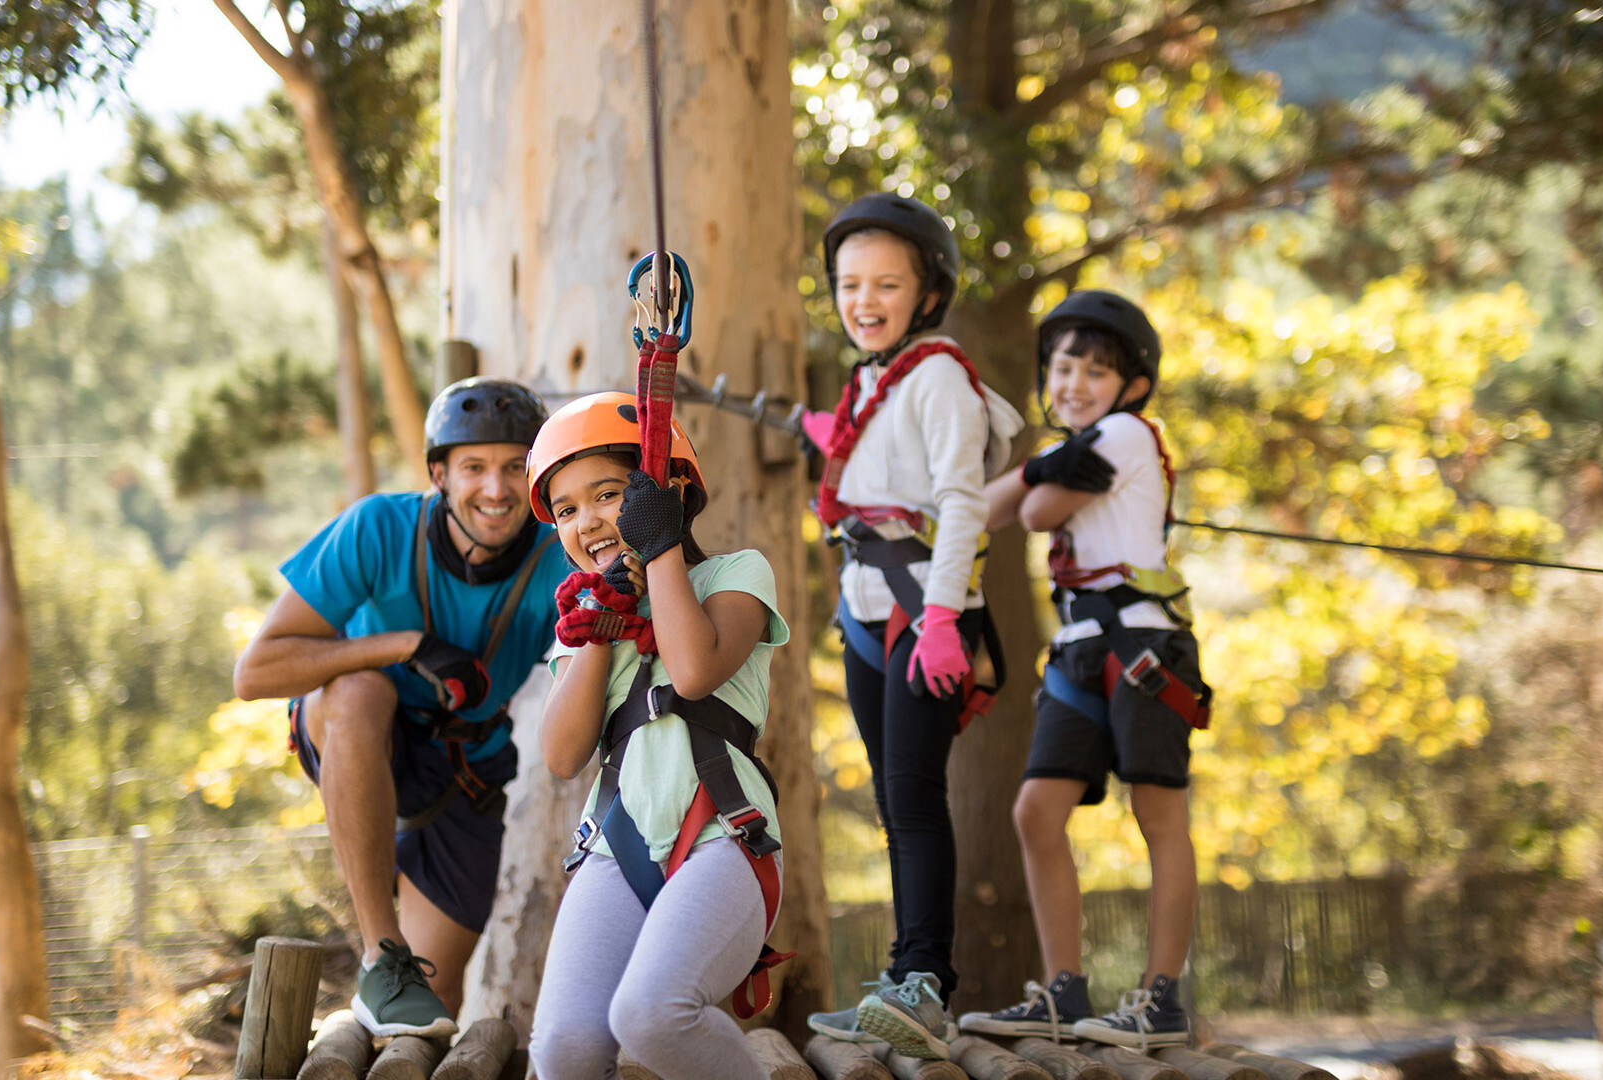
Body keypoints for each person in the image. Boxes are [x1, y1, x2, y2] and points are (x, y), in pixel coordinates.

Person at [232, 377, 571, 1038]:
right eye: (474, 468)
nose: (496, 491)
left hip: (465, 770)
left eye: (513, 469)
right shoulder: (377, 529)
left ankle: (374, 1000)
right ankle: (379, 953)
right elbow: (255, 671)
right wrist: (406, 645)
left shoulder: (558, 556)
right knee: (362, 690)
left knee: (422, 1018)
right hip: (359, 731)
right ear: (440, 474)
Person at [799, 194, 1023, 1060]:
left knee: (917, 796)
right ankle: (901, 979)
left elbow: (962, 502)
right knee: (896, 803)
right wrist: (846, 450)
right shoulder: (869, 383)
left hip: (921, 608)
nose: (864, 300)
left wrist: (940, 620)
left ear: (929, 293)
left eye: (886, 283)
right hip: (865, 607)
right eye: (850, 283)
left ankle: (926, 983)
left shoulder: (937, 375)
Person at [961, 290, 1213, 1048]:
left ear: (1131, 386)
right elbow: (984, 509)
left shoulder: (1129, 433)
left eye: (1097, 370)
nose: (1074, 382)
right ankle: (1063, 992)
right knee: (1036, 811)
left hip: (1142, 649)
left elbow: (1034, 512)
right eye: (1063, 366)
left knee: (1158, 814)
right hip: (1079, 652)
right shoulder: (1079, 446)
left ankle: (1160, 997)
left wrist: (1033, 474)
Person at [526, 393, 790, 1080]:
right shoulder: (579, 625)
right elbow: (561, 755)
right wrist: (602, 617)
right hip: (617, 848)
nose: (588, 521)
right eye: (566, 509)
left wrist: (662, 543)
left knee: (651, 1014)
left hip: (723, 838)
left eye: (609, 494)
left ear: (665, 492)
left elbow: (695, 670)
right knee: (565, 1048)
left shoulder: (735, 576)